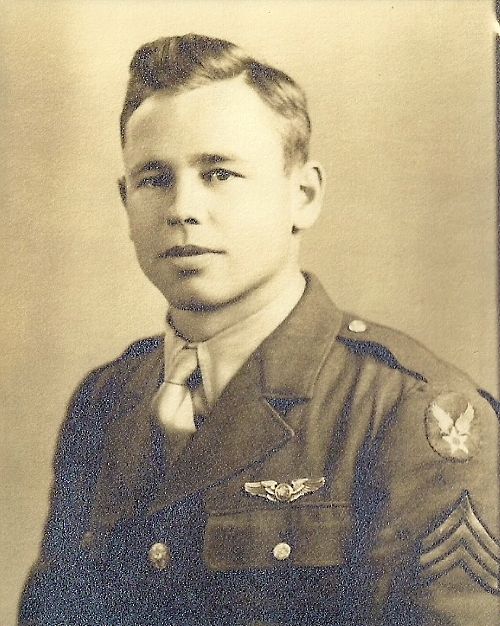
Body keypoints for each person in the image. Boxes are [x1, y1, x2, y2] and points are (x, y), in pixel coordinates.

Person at [19, 33, 499, 626]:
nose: (182, 208)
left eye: (218, 173)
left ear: (304, 195)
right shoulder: (106, 401)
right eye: (154, 178)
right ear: (125, 202)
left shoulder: (406, 409)